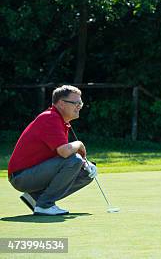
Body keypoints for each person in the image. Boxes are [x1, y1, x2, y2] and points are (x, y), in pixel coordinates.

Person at [7, 85, 96, 215]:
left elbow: (60, 156)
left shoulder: (59, 121)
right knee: (75, 160)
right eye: (75, 103)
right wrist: (80, 145)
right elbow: (65, 153)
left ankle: (35, 198)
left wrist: (86, 163)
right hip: (21, 177)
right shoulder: (50, 117)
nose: (79, 106)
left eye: (80, 102)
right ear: (61, 104)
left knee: (86, 172)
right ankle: (44, 205)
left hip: (33, 173)